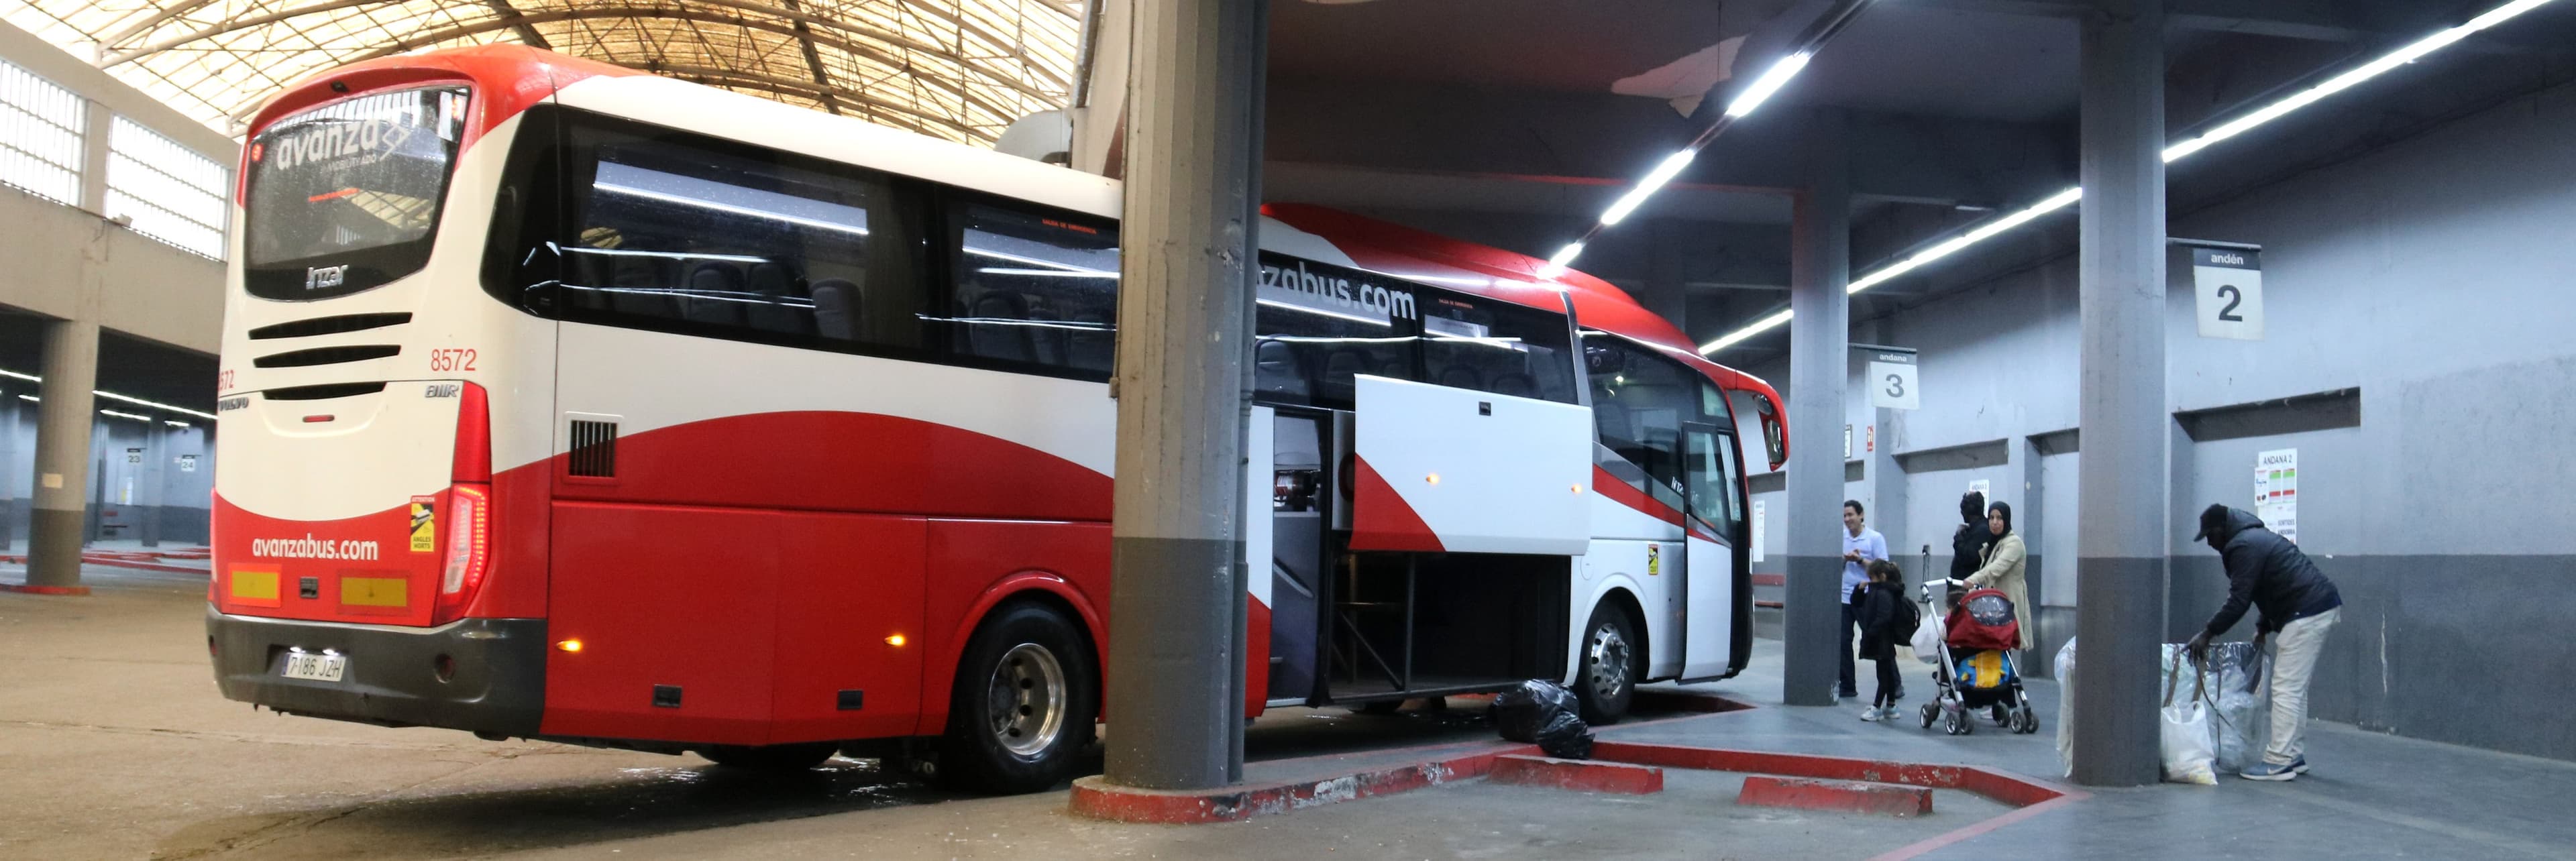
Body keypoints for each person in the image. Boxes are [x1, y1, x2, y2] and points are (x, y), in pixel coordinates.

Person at [2186, 504, 2343, 781]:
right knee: (2295, 688)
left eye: (2210, 536)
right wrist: (2262, 628)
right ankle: (2292, 754)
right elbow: (2268, 588)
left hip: (2306, 612)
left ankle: (2279, 761)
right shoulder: (2255, 538)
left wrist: (2207, 634)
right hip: (2316, 606)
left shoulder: (2243, 545)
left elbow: (2239, 600)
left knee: (2285, 689)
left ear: (2222, 530)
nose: (2209, 543)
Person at [1962, 501, 2030, 671]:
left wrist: (1974, 579)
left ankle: (2006, 694)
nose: (1995, 522)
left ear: (2007, 520)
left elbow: (1996, 568)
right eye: (1991, 517)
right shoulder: (1994, 543)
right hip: (1993, 608)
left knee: (2002, 653)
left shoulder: (2014, 544)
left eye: (1999, 518)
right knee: (1993, 654)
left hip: (2008, 606)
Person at [1837, 500, 1889, 699]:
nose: (1847, 519)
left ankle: (1893, 683)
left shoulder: (1874, 539)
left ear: (1861, 515)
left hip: (1867, 597)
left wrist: (1860, 560)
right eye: (1844, 516)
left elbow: (1883, 569)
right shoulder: (1841, 538)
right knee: (1843, 641)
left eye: (1851, 515)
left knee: (1876, 639)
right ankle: (1847, 685)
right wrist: (1844, 560)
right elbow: (1838, 567)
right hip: (1845, 597)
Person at [1855, 560, 1911, 721]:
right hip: (1882, 638)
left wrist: (1870, 632)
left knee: (1883, 675)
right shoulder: (1879, 591)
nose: (1869, 581)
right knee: (1888, 673)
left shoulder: (1884, 594)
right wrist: (1859, 591)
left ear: (1882, 577)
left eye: (1872, 578)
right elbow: (1857, 602)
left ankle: (1877, 707)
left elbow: (1884, 617)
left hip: (1881, 639)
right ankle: (1891, 706)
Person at [1949, 491, 1996, 589]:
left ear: (1968, 511)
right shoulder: (1975, 528)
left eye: (1963, 510)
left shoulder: (1983, 530)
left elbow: (1967, 557)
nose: (1961, 513)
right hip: (1962, 584)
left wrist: (1958, 538)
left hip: (1967, 588)